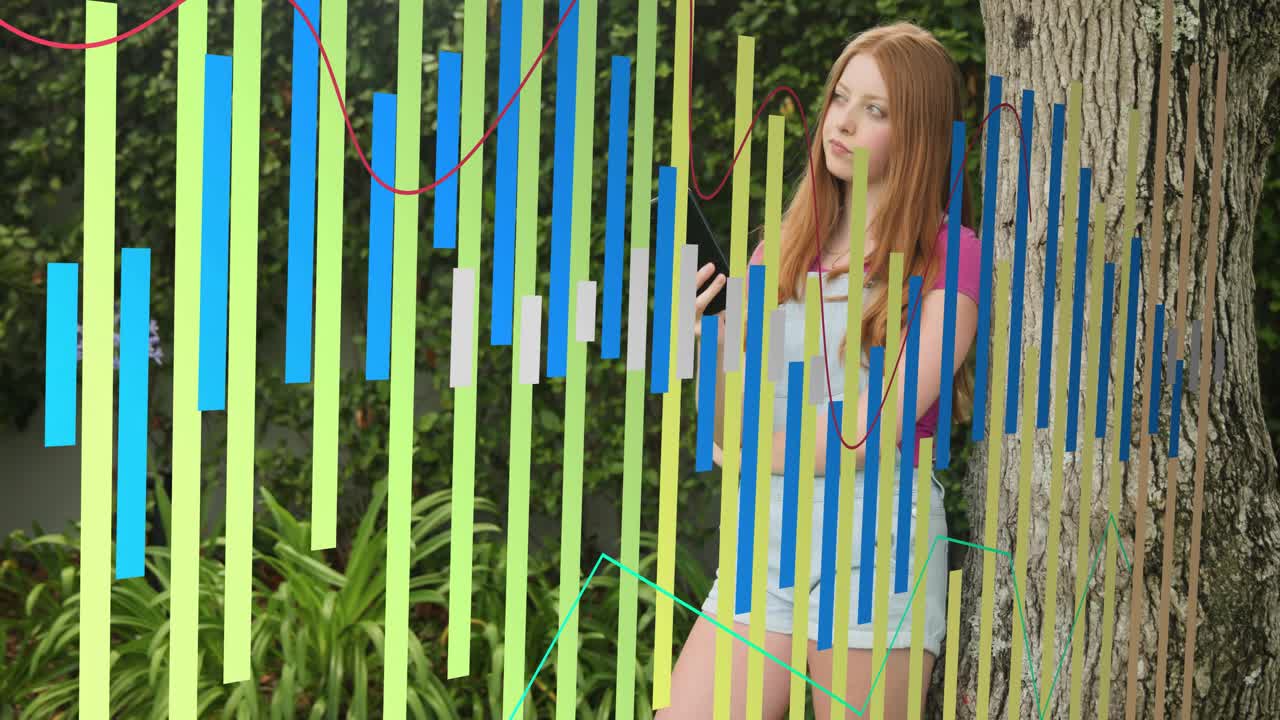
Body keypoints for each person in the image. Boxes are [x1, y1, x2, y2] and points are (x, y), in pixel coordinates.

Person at [659, 21, 982, 720]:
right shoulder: (776, 254)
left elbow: (868, 430)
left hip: (877, 551)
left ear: (919, 133)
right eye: (841, 98)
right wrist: (705, 338)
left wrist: (751, 448)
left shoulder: (949, 257)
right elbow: (727, 425)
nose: (843, 122)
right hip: (763, 547)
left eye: (877, 110)